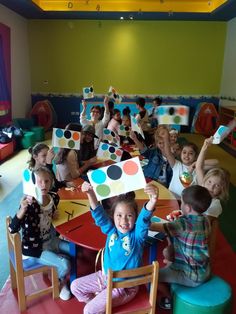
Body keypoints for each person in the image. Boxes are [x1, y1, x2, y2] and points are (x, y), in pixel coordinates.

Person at [71, 181, 158, 313]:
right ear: (113, 216)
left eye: (129, 216)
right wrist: (90, 193)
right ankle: (100, 304)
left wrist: (152, 201)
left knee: (88, 310)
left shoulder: (137, 236)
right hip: (106, 278)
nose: (124, 221)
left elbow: (143, 221)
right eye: (119, 216)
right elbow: (99, 215)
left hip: (124, 287)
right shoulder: (112, 230)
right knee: (75, 286)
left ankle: (99, 305)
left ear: (135, 217)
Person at [8, 166, 71, 300]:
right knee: (65, 264)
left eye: (47, 181)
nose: (44, 185)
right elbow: (12, 228)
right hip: (36, 248)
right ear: (33, 184)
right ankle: (60, 282)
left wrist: (54, 214)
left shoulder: (53, 197)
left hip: (51, 240)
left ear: (51, 182)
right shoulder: (29, 203)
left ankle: (62, 275)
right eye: (39, 181)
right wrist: (22, 209)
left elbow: (51, 213)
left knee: (74, 249)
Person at [150, 185, 212, 310]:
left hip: (191, 277)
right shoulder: (205, 220)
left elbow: (154, 227)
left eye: (182, 203)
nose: (181, 205)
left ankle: (169, 299)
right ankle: (172, 270)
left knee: (152, 276)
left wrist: (140, 220)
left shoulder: (182, 224)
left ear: (188, 208)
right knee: (168, 251)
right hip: (204, 270)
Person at [196, 136, 230, 222]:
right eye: (209, 182)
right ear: (205, 181)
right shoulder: (203, 186)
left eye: (217, 185)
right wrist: (205, 147)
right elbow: (199, 167)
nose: (211, 187)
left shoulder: (215, 205)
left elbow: (203, 224)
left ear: (222, 189)